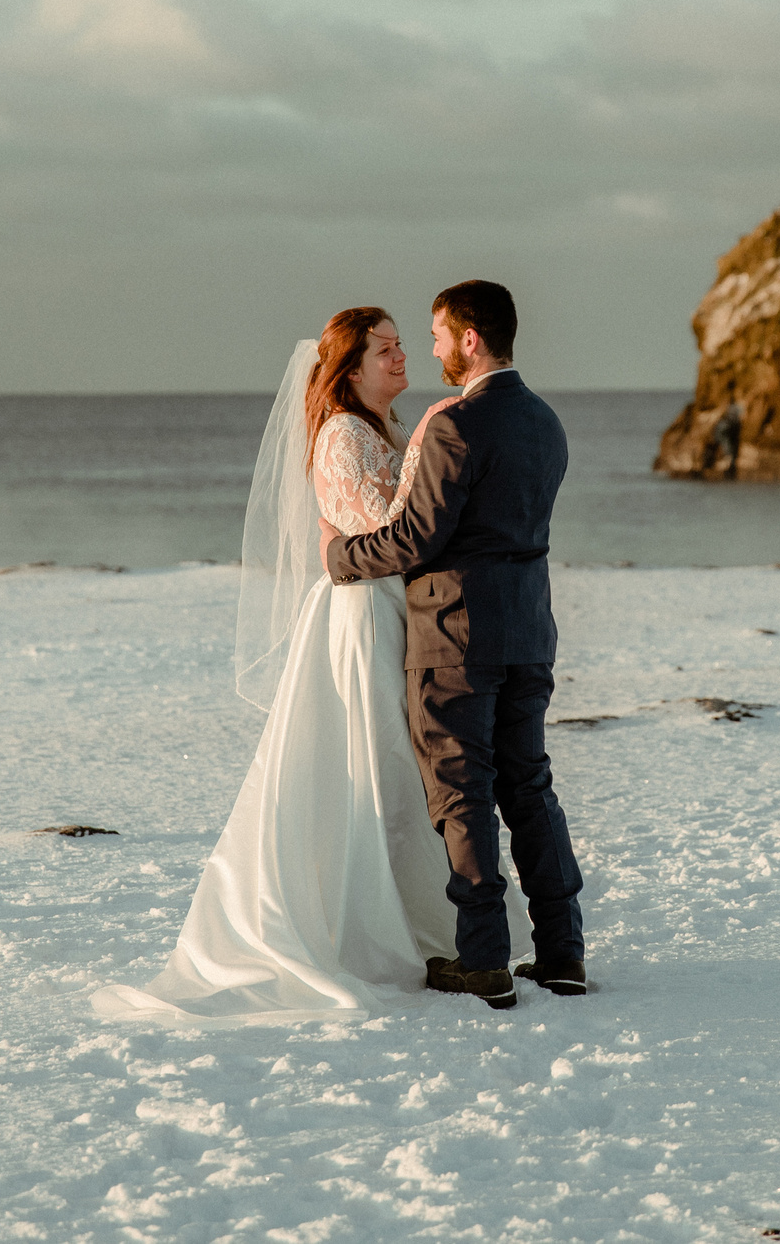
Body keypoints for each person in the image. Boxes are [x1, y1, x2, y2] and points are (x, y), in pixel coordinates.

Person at [93, 305, 503, 1021]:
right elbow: (397, 534)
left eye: (404, 345)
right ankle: (377, 927)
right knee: (375, 765)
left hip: (390, 613)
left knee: (404, 766)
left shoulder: (391, 429)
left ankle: (434, 922)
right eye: (385, 349)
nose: (402, 357)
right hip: (362, 619)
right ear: (349, 368)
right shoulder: (345, 435)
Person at [324, 280, 584, 1010]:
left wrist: (340, 557)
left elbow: (416, 538)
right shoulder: (547, 423)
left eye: (438, 334)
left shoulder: (453, 427)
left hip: (453, 634)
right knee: (529, 787)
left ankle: (484, 961)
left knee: (461, 793)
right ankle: (563, 950)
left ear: (471, 338)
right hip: (530, 629)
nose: (431, 348)